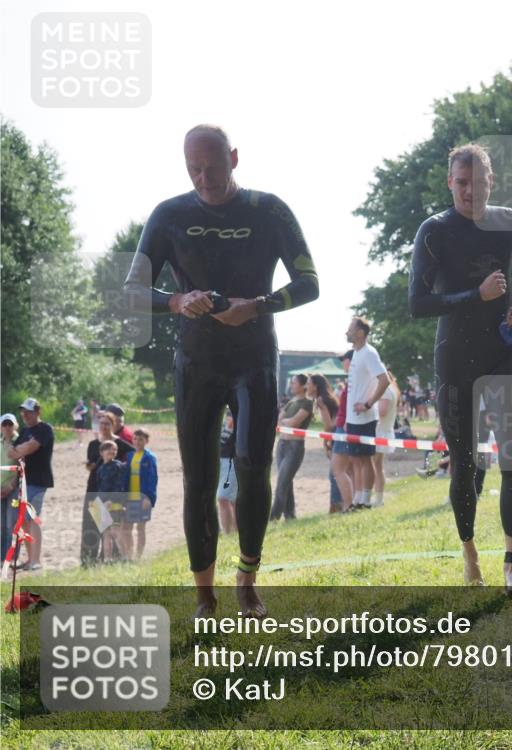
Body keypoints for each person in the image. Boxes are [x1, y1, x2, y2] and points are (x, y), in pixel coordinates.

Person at [123, 124, 320, 617]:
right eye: (194, 169)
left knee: (254, 469)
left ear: (234, 158)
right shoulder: (170, 215)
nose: (204, 178)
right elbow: (130, 290)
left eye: (212, 167)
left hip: (254, 357)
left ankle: (247, 580)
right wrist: (176, 300)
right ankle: (204, 594)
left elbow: (311, 282)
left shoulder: (267, 209)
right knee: (199, 479)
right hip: (197, 363)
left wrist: (259, 304)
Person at [408, 142, 512, 594]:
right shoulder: (434, 231)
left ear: (492, 182)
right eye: (462, 183)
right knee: (464, 464)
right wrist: (476, 296)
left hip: (503, 352)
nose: (470, 191)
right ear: (450, 183)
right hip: (454, 356)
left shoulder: (509, 223)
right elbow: (418, 303)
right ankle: (470, 555)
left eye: (479, 182)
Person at [343, 317, 390, 510]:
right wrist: (347, 418)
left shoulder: (369, 353)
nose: (347, 332)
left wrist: (368, 404)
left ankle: (365, 500)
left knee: (366, 458)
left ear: (360, 333)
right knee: (356, 459)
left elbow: (384, 380)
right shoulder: (356, 353)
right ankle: (358, 498)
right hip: (353, 419)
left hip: (366, 418)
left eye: (350, 329)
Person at [6, 398, 54, 572]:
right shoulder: (26, 431)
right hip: (24, 481)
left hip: (39, 481)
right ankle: (30, 560)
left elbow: (28, 449)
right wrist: (21, 450)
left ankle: (36, 561)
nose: (25, 415)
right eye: (23, 412)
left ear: (38, 412)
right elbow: (13, 452)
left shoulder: (45, 429)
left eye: (29, 412)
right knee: (25, 522)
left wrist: (21, 450)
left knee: (32, 519)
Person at [82, 412, 133, 565]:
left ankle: (118, 558)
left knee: (114, 528)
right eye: (101, 423)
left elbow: (133, 456)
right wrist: (90, 466)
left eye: (107, 423)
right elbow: (91, 465)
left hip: (113, 493)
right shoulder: (93, 444)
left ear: (113, 425)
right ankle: (89, 560)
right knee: (94, 526)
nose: (104, 426)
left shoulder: (120, 444)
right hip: (94, 489)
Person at [270, 374, 313, 522]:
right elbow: (279, 420)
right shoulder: (290, 402)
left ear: (302, 386)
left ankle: (273, 517)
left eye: (294, 383)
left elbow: (294, 422)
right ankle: (290, 515)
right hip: (282, 444)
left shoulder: (307, 403)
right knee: (286, 481)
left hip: (294, 446)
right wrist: (284, 421)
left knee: (282, 482)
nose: (291, 385)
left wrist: (284, 421)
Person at [306, 374, 342, 513]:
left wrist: (326, 443)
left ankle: (335, 507)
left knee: (334, 474)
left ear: (315, 386)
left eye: (308, 383)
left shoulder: (321, 400)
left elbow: (328, 426)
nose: (306, 386)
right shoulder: (327, 398)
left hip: (335, 436)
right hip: (338, 434)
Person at [123, 428, 158, 560]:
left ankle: (139, 556)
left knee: (140, 527)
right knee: (127, 527)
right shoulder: (130, 456)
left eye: (141, 439)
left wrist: (148, 497)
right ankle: (130, 555)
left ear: (147, 441)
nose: (137, 442)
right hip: (130, 498)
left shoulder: (149, 457)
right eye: (135, 439)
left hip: (143, 498)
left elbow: (152, 478)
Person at [94, 440, 128, 563]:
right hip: (101, 504)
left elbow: (119, 486)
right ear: (101, 452)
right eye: (109, 449)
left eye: (114, 449)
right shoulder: (100, 469)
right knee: (105, 533)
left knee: (115, 531)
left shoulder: (118, 466)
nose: (112, 451)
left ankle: (125, 557)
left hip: (115, 503)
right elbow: (99, 487)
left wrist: (110, 500)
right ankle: (108, 559)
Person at [330, 350, 355, 513]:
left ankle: (348, 505)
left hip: (344, 427)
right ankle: (352, 503)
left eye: (344, 360)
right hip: (345, 426)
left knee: (338, 470)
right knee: (349, 469)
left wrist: (346, 421)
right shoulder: (353, 379)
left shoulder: (354, 379)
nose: (342, 363)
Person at [372, 370, 401, 508]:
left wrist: (368, 408)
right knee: (378, 466)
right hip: (383, 431)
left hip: (379, 431)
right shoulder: (392, 390)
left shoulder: (385, 390)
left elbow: (382, 412)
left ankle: (375, 497)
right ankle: (378, 498)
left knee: (373, 466)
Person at [1, 414, 19, 564]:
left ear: (15, 426)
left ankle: (11, 558)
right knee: (2, 525)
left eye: (10, 424)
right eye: (4, 424)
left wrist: (11, 485)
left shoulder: (19, 441)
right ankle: (2, 558)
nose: (7, 427)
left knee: (11, 524)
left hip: (14, 488)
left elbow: (21, 467)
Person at [216, 411, 238, 534]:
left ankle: (233, 534)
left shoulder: (240, 407)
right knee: (229, 500)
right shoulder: (225, 410)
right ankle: (230, 534)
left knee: (224, 498)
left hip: (232, 460)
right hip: (218, 458)